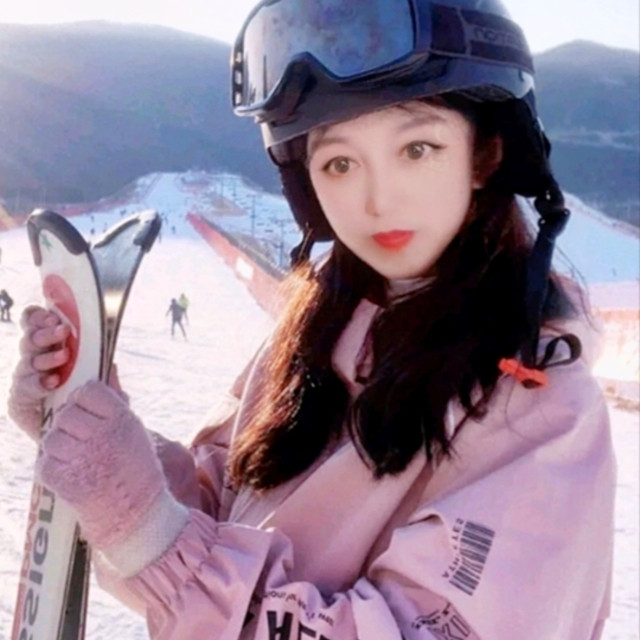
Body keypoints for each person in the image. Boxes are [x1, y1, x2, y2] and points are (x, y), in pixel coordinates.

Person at [7, 1, 615, 638]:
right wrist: (103, 445)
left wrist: (145, 528)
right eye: (340, 164)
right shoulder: (324, 319)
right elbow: (221, 511)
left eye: (417, 148)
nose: (378, 200)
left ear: (486, 153)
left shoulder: (540, 407)